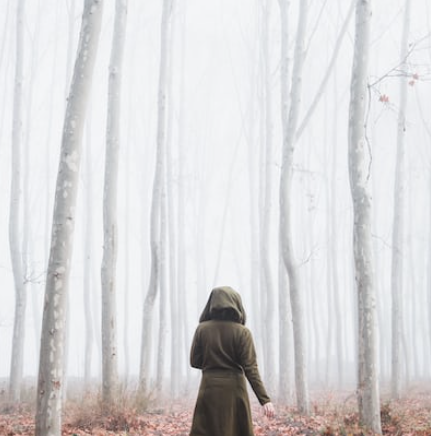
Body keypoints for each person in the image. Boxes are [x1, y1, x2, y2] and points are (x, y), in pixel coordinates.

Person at [189, 286, 275, 436]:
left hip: (209, 388)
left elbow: (195, 361)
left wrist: (213, 362)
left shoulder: (202, 329)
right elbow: (251, 369)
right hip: (235, 391)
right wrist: (264, 399)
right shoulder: (243, 332)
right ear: (236, 303)